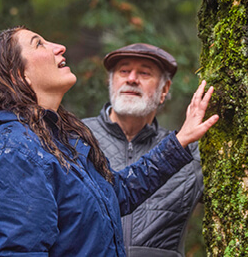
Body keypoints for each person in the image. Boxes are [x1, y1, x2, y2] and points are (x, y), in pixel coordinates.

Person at [0, 26, 219, 256]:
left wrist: (181, 140)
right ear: (19, 76)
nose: (59, 47)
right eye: (39, 43)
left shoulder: (59, 139)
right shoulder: (13, 150)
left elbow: (117, 194)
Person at [83, 43, 204, 257]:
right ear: (110, 83)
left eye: (144, 73)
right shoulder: (76, 138)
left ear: (164, 90)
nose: (132, 78)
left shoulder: (188, 150)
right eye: (123, 71)